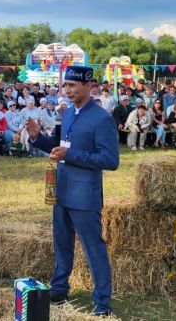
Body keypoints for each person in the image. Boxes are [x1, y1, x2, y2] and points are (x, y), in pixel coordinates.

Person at [26, 65, 119, 317]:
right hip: (62, 190)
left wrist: (72, 155)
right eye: (65, 85)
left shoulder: (102, 118)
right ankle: (59, 289)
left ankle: (102, 303)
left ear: (89, 86)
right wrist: (38, 139)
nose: (67, 90)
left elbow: (111, 160)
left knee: (93, 249)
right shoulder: (66, 114)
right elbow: (60, 149)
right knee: (62, 245)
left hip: (85, 196)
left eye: (72, 85)